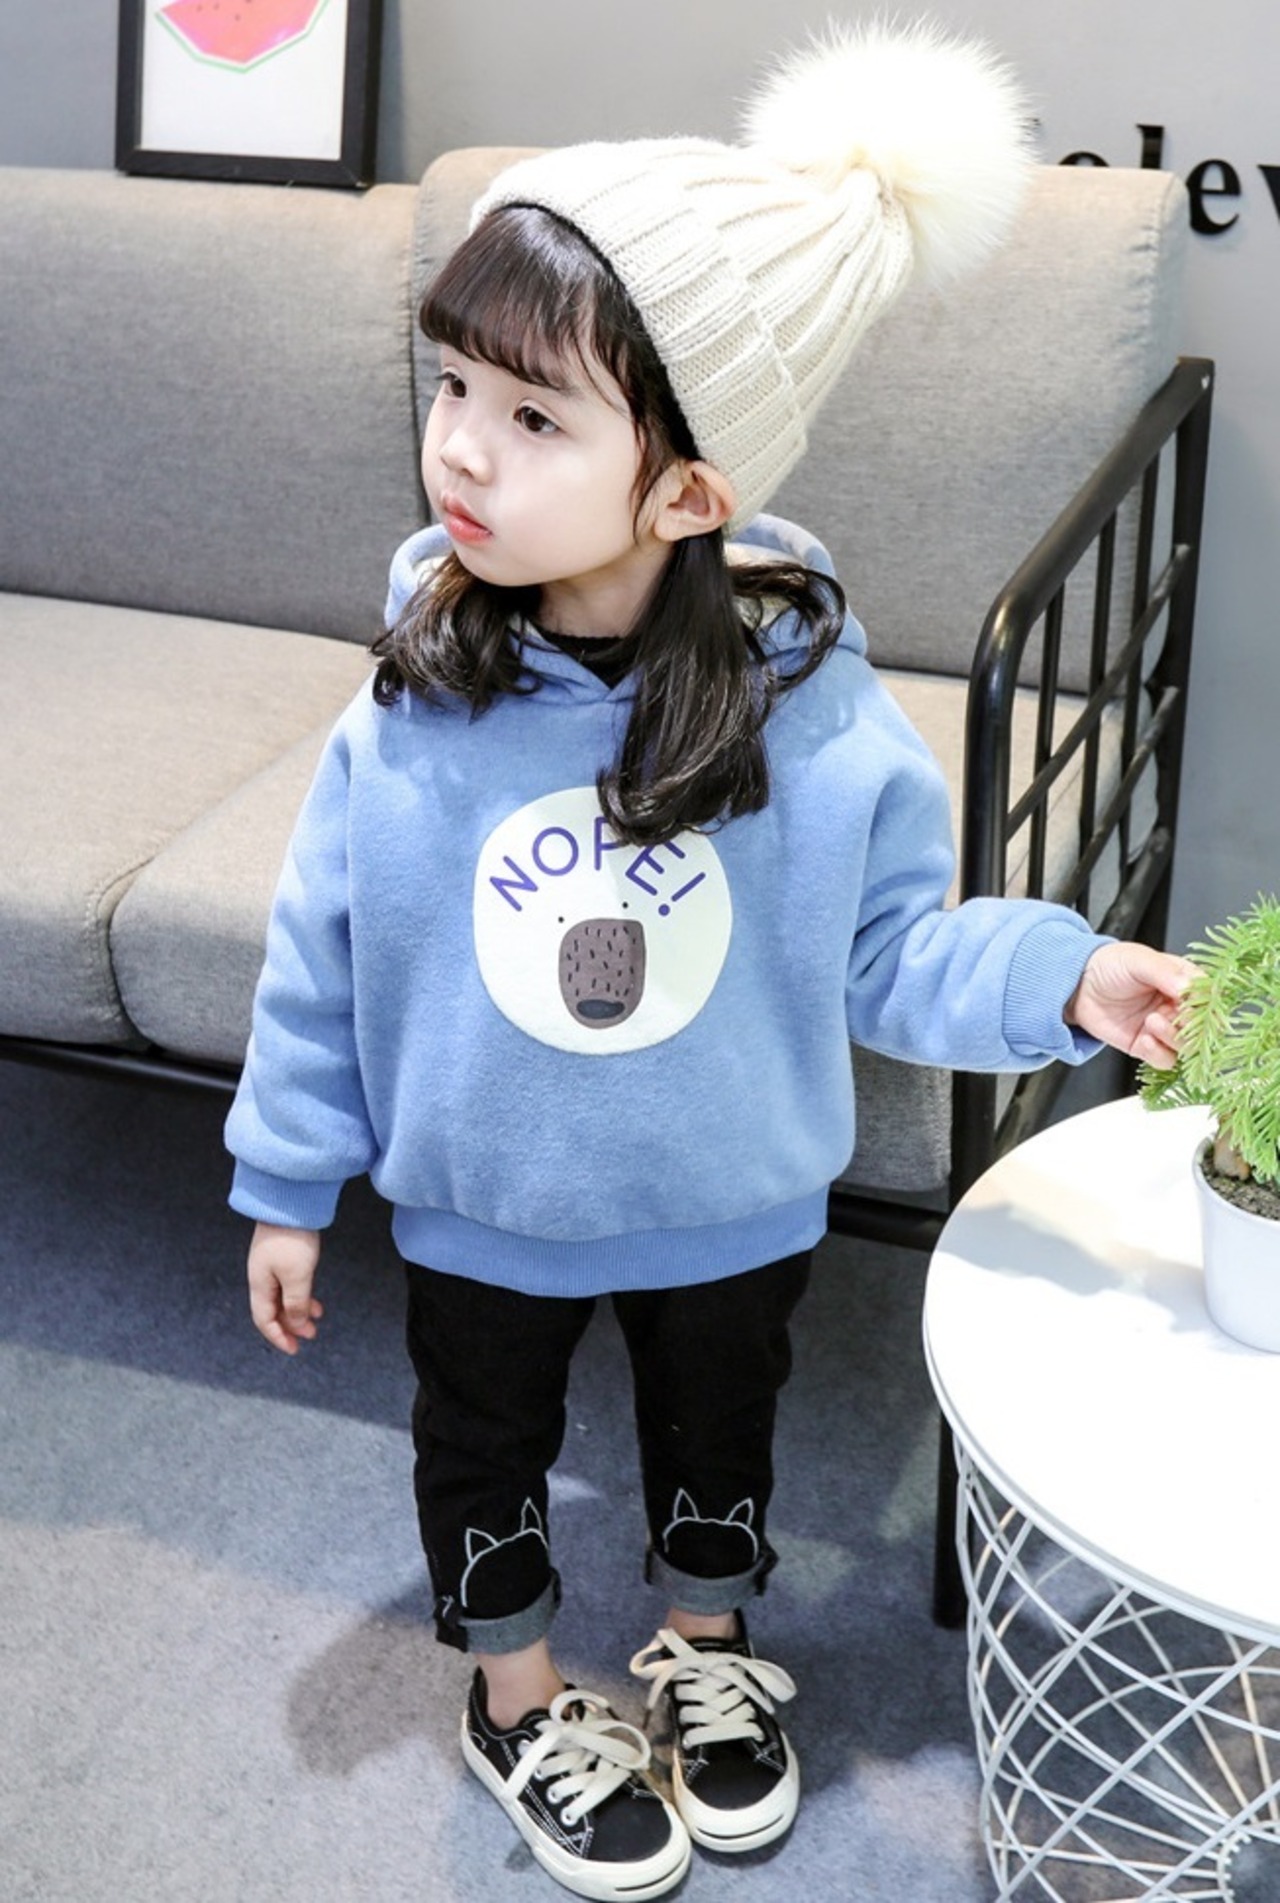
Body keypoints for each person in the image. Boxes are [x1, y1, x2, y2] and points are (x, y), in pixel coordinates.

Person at [225, 21, 1193, 1900]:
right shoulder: (421, 687)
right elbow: (325, 943)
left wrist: (1065, 978)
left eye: (535, 418)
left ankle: (702, 1646)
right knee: (482, 1447)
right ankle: (517, 1698)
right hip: (482, 1203)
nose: (460, 446)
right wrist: (283, 1176)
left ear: (688, 490)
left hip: (732, 1201)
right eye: (452, 384)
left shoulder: (807, 709)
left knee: (717, 1445)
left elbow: (891, 949)